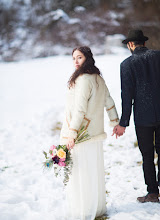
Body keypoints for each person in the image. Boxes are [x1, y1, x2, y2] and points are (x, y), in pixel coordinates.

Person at [60, 46, 119, 220]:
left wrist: (72, 134)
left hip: (82, 134)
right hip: (94, 133)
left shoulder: (84, 79)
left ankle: (85, 209)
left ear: (87, 58)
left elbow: (79, 110)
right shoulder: (98, 78)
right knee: (92, 171)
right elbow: (109, 101)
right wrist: (114, 122)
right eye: (73, 58)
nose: (76, 62)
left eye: (79, 57)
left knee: (82, 172)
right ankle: (96, 206)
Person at [113, 29, 160, 203]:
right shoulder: (158, 56)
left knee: (147, 155)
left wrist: (123, 122)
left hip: (143, 118)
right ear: (144, 43)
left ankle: (153, 193)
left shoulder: (126, 64)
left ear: (131, 44)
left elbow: (127, 95)